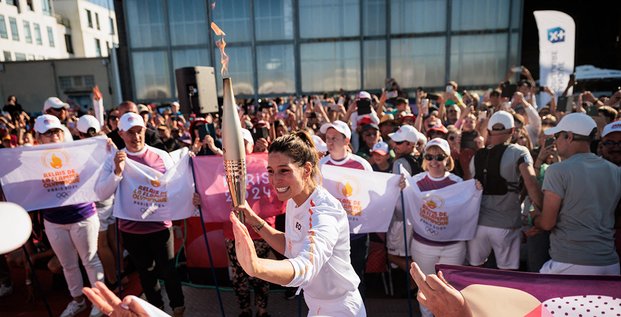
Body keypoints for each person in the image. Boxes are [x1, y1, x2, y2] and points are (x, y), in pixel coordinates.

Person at [231, 131, 366, 316]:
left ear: (307, 170)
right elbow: (291, 246)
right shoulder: (295, 199)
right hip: (316, 306)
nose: (275, 180)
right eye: (270, 171)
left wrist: (257, 267)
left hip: (341, 309)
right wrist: (254, 220)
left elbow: (306, 266)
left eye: (284, 170)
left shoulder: (325, 211)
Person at [96, 113, 185, 316]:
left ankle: (179, 308)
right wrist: (117, 171)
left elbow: (176, 184)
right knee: (146, 274)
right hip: (131, 229)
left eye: (139, 131)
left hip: (160, 225)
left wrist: (191, 198)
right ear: (121, 133)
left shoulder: (160, 155)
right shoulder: (115, 157)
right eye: (130, 132)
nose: (136, 137)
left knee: (169, 270)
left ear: (145, 130)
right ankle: (154, 311)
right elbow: (102, 193)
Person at [34, 114, 104, 317]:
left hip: (82, 214)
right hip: (54, 221)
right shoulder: (32, 159)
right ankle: (78, 301)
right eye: (47, 133)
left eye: (56, 131)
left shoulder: (77, 152)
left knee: (90, 260)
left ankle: (100, 301)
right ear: (39, 137)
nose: (53, 136)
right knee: (68, 265)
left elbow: (98, 161)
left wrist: (105, 145)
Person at [533, 113, 621, 275]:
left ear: (570, 137)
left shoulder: (557, 170)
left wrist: (534, 219)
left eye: (558, 136)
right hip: (610, 264)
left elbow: (547, 223)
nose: (555, 141)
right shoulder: (616, 172)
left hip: (569, 263)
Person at [408, 138, 482, 317]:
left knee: (451, 289)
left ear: (447, 159)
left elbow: (467, 208)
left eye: (440, 157)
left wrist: (476, 190)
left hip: (453, 247)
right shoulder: (414, 182)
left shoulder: (458, 183)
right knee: (424, 286)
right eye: (430, 156)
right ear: (424, 158)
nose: (434, 161)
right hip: (423, 246)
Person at [468, 111, 542, 270]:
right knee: (507, 274)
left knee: (475, 271)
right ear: (513, 131)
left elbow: (470, 189)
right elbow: (531, 182)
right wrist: (542, 211)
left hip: (478, 226)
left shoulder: (476, 156)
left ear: (488, 132)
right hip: (506, 226)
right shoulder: (520, 152)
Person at [318, 120, 373, 296]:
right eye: (328, 138)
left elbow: (373, 194)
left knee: (356, 276)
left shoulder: (361, 164)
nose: (330, 142)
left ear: (346, 140)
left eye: (335, 138)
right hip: (330, 233)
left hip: (356, 233)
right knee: (332, 278)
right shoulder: (321, 165)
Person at [77, 115, 127, 291]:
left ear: (79, 133)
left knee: (102, 244)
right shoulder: (108, 144)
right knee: (114, 239)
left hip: (97, 200)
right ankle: (122, 275)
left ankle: (113, 281)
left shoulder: (80, 149)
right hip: (111, 196)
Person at [386, 125, 423, 274]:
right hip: (418, 215)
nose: (394, 145)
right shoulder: (422, 159)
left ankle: (420, 283)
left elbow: (397, 192)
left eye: (399, 142)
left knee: (392, 255)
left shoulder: (399, 163)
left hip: (403, 218)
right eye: (394, 141)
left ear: (410, 144)